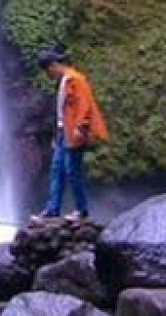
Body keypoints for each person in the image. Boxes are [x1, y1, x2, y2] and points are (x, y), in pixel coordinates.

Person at [36, 48, 108, 219]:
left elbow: (85, 104)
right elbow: (62, 110)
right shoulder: (63, 81)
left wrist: (81, 126)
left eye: (48, 71)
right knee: (57, 170)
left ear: (54, 65)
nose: (48, 75)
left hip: (74, 132)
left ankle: (81, 210)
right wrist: (57, 133)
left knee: (72, 170)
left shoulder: (75, 79)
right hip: (63, 132)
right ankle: (52, 209)